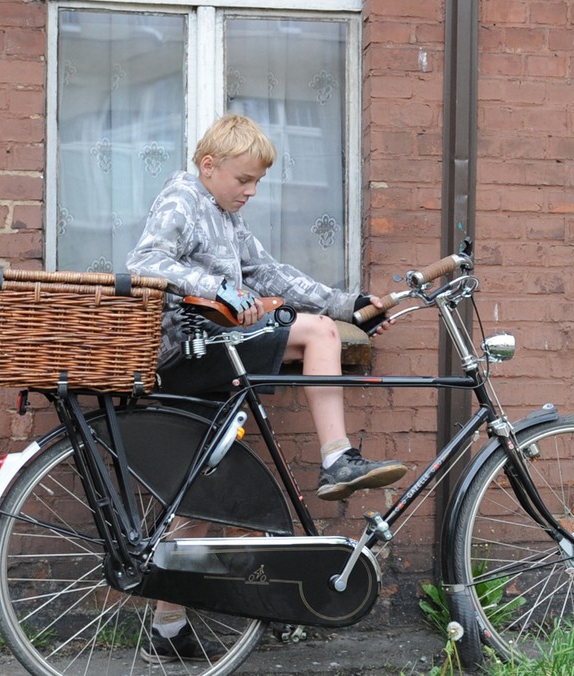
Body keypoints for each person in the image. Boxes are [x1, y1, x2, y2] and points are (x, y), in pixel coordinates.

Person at [126, 113, 405, 663]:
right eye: (244, 180)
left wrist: (350, 304)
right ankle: (337, 459)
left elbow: (272, 275)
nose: (251, 192)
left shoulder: (226, 217)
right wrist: (223, 291)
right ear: (209, 167)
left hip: (212, 349)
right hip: (190, 349)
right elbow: (146, 262)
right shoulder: (184, 196)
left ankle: (166, 629)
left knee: (202, 485)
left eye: (258, 182)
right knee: (318, 336)